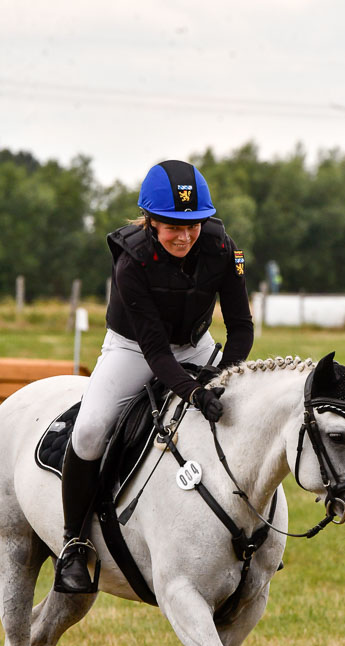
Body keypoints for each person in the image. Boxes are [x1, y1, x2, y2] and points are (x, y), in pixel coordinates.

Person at [54, 159, 254, 594]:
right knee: (88, 432)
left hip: (197, 345)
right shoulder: (131, 263)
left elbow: (241, 328)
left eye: (193, 225)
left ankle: (257, 533)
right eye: (172, 227)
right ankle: (73, 543)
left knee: (240, 417)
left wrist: (224, 377)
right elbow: (156, 353)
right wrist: (194, 393)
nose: (184, 236)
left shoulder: (224, 249)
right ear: (150, 222)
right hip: (133, 349)